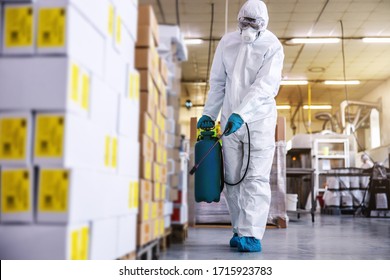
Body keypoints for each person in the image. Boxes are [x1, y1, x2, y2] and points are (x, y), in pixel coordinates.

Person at [197, 0, 284, 252]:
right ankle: (239, 229)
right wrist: (209, 114)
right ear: (238, 21)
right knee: (233, 178)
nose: (247, 27)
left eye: (253, 23)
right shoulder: (227, 43)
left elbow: (265, 86)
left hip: (258, 121)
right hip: (229, 123)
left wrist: (242, 113)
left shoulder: (272, 46)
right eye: (244, 22)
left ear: (263, 24)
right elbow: (218, 82)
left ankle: (253, 234)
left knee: (255, 178)